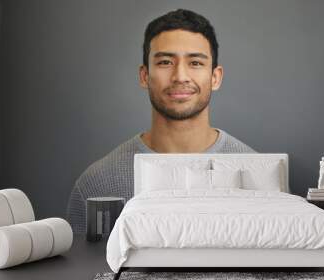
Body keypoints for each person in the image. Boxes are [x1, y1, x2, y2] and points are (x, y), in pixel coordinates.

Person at [66, 9, 256, 233]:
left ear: (215, 77)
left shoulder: (257, 175)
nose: (180, 76)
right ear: (144, 76)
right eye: (165, 62)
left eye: (195, 63)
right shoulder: (97, 184)